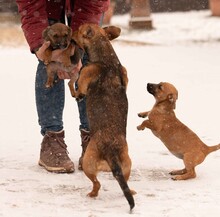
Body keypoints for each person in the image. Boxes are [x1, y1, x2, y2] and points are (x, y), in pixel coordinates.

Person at [16, 0, 110, 173]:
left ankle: (93, 139)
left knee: (89, 57)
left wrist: (78, 49)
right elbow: (30, 6)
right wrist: (40, 46)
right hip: (46, 5)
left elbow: (91, 5)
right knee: (49, 57)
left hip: (87, 5)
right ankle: (52, 139)